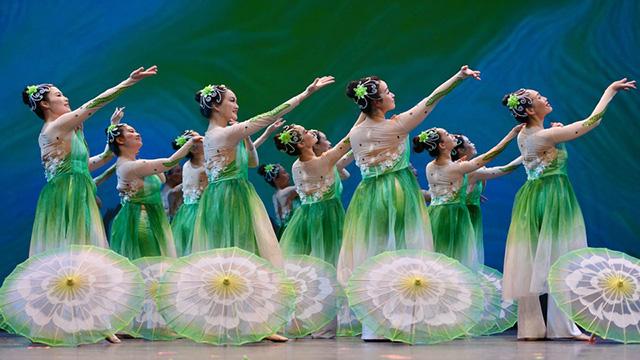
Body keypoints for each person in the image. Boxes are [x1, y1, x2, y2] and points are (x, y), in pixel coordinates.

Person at [335, 65, 481, 340]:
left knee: (373, 251)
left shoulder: (355, 133)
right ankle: (398, 322)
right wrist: (459, 77)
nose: (393, 95)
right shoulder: (396, 125)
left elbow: (357, 130)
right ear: (377, 102)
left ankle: (373, 327)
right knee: (401, 251)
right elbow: (432, 99)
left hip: (367, 195)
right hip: (396, 191)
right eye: (387, 92)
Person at [501, 78, 636, 340]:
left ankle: (534, 328)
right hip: (552, 197)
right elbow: (590, 123)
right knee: (559, 258)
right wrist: (610, 91)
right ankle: (562, 327)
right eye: (539, 96)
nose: (544, 98)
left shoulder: (526, 134)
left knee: (538, 260)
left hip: (533, 197)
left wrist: (556, 136)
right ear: (529, 110)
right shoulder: (542, 135)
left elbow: (545, 152)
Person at [414, 125, 522, 270]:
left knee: (437, 260)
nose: (451, 135)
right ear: (442, 144)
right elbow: (492, 154)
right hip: (453, 216)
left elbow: (443, 187)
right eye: (447, 134)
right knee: (455, 262)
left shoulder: (430, 166)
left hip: (434, 214)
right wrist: (512, 133)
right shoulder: (458, 168)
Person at [107, 122, 201, 260]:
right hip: (140, 221)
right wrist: (190, 142)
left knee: (157, 263)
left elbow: (162, 178)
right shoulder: (130, 166)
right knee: (149, 263)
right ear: (120, 140)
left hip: (152, 219)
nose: (137, 134)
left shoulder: (137, 164)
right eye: (131, 131)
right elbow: (169, 162)